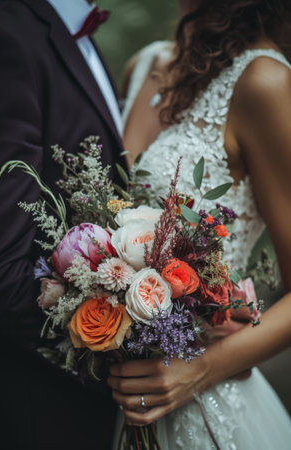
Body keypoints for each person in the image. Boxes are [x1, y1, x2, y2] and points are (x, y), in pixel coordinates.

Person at [108, 0, 291, 448]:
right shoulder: (144, 66)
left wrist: (195, 371)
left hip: (206, 403)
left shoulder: (263, 82)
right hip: (117, 402)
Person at [0, 1, 126, 449]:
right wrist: (153, 331)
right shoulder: (7, 38)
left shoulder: (80, 42)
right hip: (42, 412)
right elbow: (3, 279)